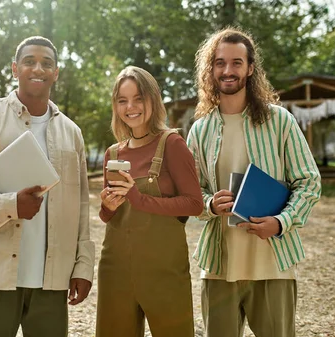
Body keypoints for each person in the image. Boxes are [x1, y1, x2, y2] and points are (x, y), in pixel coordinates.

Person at [0, 36, 94, 337]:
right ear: (14, 69)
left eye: (47, 63)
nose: (38, 68)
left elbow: (82, 205)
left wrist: (83, 266)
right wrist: (8, 205)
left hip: (52, 280)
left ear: (56, 72)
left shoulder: (72, 133)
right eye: (29, 61)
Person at [186, 27, 322, 337]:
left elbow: (309, 182)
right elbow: (191, 194)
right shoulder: (200, 131)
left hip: (273, 263)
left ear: (250, 68)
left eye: (236, 62)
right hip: (219, 267)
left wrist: (281, 221)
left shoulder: (279, 121)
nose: (228, 70)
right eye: (220, 63)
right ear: (211, 69)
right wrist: (209, 203)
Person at [95, 66, 203, 337]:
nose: (130, 107)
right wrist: (107, 207)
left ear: (153, 99)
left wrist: (139, 199)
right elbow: (108, 217)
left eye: (138, 98)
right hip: (116, 267)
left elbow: (194, 204)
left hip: (163, 269)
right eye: (122, 100)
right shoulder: (112, 153)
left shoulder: (172, 144)